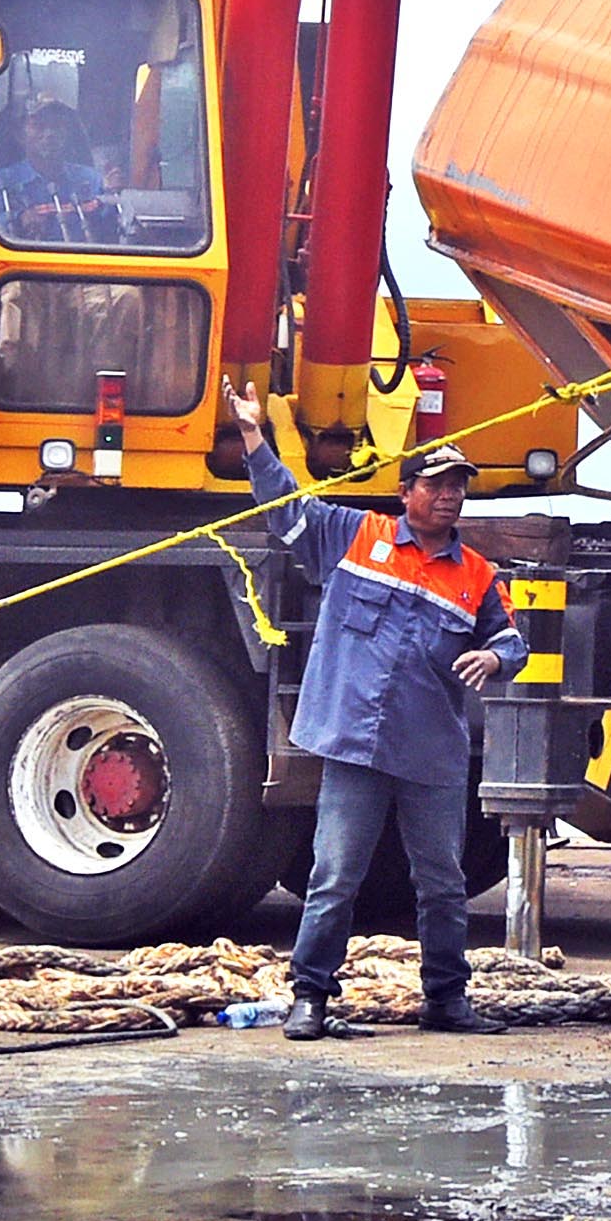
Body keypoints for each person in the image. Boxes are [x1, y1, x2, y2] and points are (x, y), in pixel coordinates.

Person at [224, 376, 524, 1038]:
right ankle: (311, 999)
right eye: (438, 485)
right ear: (406, 492)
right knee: (334, 878)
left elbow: (510, 638)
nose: (450, 497)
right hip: (358, 747)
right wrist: (253, 435)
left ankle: (447, 1002)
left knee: (443, 885)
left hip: (432, 756)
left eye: (459, 487)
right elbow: (286, 507)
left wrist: (498, 659)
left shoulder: (476, 574)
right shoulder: (353, 537)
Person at [0, 100, 119, 243]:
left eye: (57, 126)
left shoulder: (91, 179)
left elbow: (114, 227)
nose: (49, 133)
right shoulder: (0, 182)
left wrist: (114, 195)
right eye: (39, 125)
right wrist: (20, 219)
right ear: (20, 134)